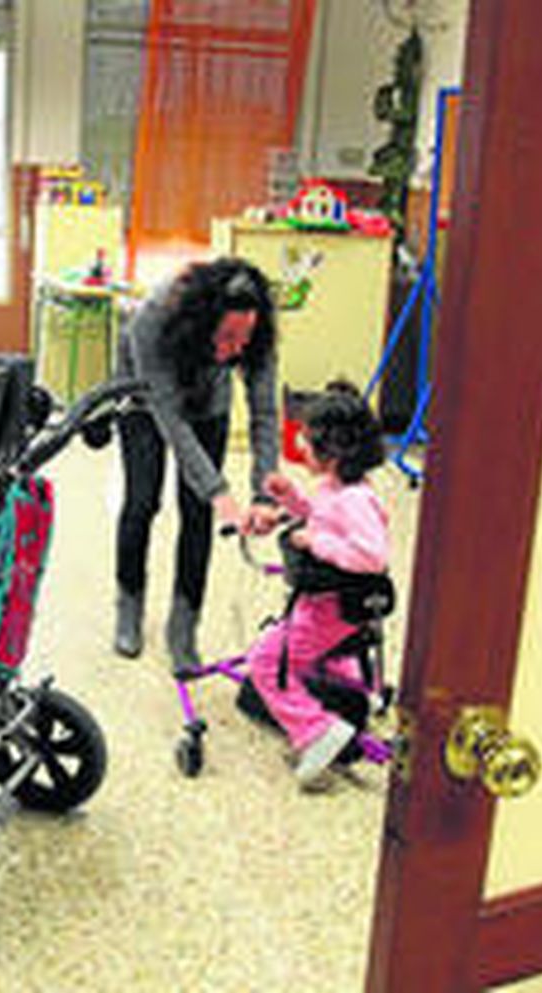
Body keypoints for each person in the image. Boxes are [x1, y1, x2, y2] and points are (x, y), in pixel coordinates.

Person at [113, 256, 284, 675]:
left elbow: (264, 413)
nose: (233, 352)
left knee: (197, 513)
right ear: (201, 322)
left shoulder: (253, 331)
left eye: (243, 342)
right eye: (226, 337)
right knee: (142, 502)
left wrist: (265, 492)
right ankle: (128, 604)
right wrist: (221, 491)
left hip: (208, 405)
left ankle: (184, 627)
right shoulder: (154, 318)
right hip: (143, 399)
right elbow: (169, 418)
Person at [247, 381, 390, 788]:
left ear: (334, 451)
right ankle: (364, 693)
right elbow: (317, 514)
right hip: (331, 606)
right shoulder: (336, 489)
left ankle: (316, 732)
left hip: (331, 606)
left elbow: (371, 556)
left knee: (265, 661)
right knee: (316, 657)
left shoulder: (355, 500)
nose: (299, 445)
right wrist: (290, 499)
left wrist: (316, 542)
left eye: (307, 441)